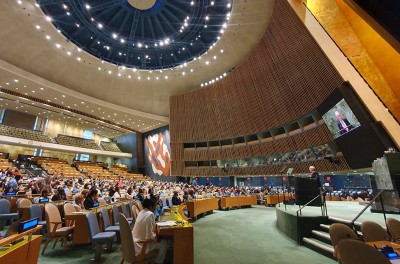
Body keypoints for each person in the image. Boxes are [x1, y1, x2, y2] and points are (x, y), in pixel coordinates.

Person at [132, 199, 168, 264]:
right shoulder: (150, 214)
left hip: (135, 244)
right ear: (151, 207)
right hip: (142, 246)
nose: (155, 208)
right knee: (164, 243)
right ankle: (158, 262)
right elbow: (149, 238)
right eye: (155, 206)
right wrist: (156, 235)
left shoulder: (141, 212)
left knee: (160, 239)